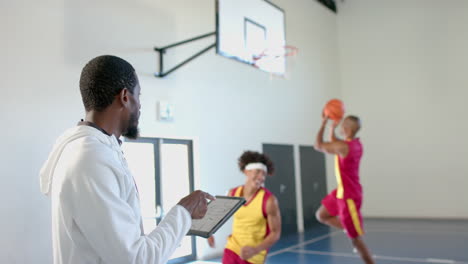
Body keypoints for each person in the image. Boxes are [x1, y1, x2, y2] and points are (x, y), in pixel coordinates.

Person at [39, 55, 214, 264]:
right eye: (138, 95)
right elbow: (137, 259)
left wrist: (182, 221)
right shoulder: (91, 157)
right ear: (124, 96)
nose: (140, 105)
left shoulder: (93, 150)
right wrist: (184, 211)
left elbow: (128, 247)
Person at [314, 115, 375, 264]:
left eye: (342, 125)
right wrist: (332, 128)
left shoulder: (344, 146)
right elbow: (335, 142)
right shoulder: (355, 143)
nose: (340, 126)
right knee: (321, 215)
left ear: (347, 129)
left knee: (356, 241)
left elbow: (318, 145)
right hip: (341, 192)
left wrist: (323, 123)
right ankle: (348, 228)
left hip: (349, 197)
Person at [208, 151, 281, 264]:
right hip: (232, 248)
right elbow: (217, 215)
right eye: (257, 172)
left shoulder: (269, 201)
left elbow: (275, 233)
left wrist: (256, 250)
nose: (261, 177)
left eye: (264, 174)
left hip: (254, 255)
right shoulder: (233, 193)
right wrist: (209, 232)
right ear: (246, 171)